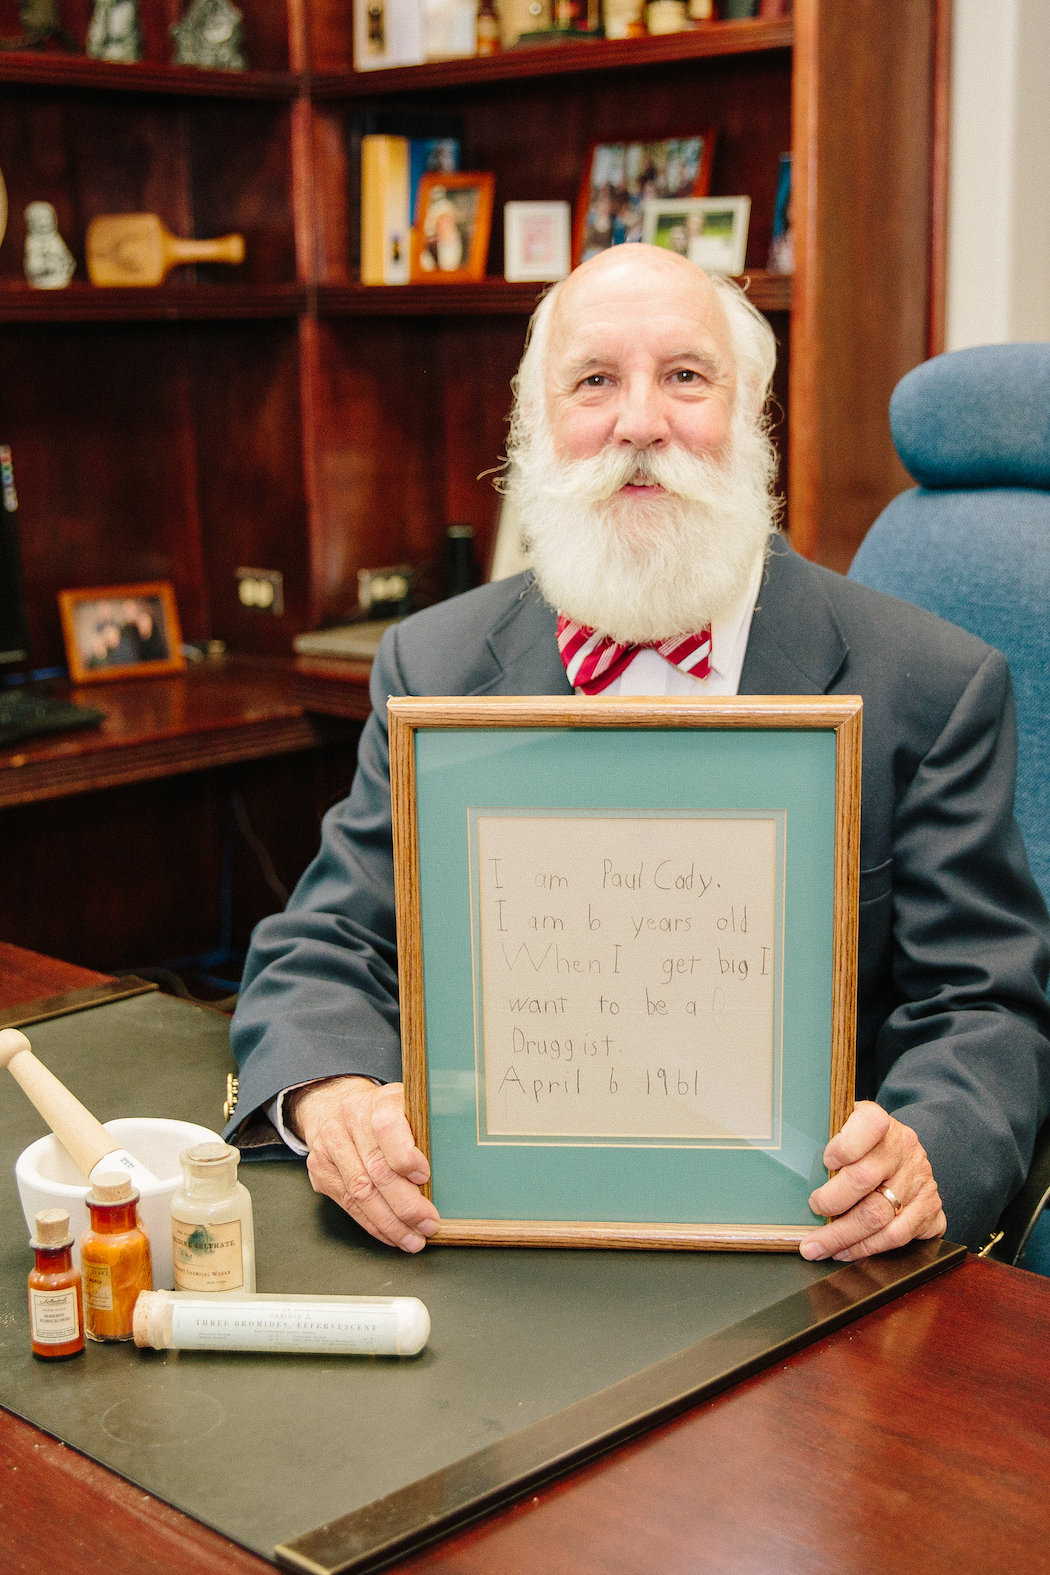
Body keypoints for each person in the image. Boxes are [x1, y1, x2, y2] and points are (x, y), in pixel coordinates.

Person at [228, 244, 1050, 1264]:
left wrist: (928, 1152)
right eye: (595, 382)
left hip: (809, 1257)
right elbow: (327, 944)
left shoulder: (929, 685)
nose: (641, 423)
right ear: (538, 432)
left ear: (749, 416)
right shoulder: (432, 664)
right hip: (493, 1234)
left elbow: (985, 1002)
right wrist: (335, 1097)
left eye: (686, 378)